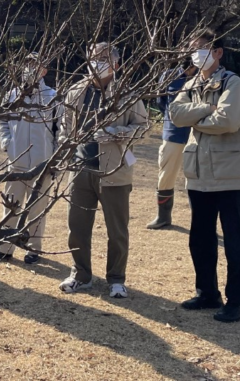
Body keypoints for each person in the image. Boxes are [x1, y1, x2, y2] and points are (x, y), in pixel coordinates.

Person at [169, 29, 240, 322]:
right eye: (192, 48)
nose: (196, 53)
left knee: (234, 238)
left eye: (201, 48)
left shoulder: (233, 82)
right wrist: (208, 108)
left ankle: (238, 302)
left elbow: (229, 120)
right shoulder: (192, 83)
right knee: (200, 236)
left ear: (218, 52)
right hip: (199, 172)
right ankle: (206, 292)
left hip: (231, 172)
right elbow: (175, 115)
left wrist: (198, 116)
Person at [58, 42, 147, 298]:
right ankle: (80, 275)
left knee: (117, 230)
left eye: (104, 58)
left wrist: (117, 132)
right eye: (93, 57)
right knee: (77, 226)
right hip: (80, 169)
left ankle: (116, 279)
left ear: (116, 64)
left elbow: (142, 127)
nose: (97, 61)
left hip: (114, 172)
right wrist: (68, 145)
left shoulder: (127, 93)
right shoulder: (76, 91)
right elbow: (65, 127)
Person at [0, 52, 60, 264]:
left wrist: (53, 159)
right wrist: (7, 144)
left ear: (44, 70)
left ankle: (33, 248)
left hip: (42, 163)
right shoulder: (12, 95)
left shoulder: (53, 97)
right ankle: (4, 247)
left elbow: (60, 131)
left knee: (37, 208)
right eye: (26, 64)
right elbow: (2, 122)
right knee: (10, 205)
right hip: (16, 163)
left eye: (35, 65)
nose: (30, 68)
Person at [146, 62, 194, 229]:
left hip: (199, 135)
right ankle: (163, 216)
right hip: (173, 133)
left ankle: (202, 222)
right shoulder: (168, 76)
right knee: (165, 175)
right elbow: (162, 102)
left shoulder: (207, 77)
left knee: (199, 179)